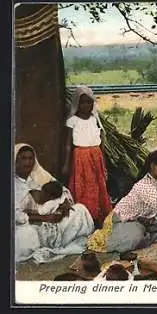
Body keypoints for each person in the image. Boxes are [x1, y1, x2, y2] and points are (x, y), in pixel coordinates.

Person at [14, 143, 95, 263]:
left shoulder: (39, 175)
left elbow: (62, 190)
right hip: (31, 224)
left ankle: (59, 242)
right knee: (24, 236)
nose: (28, 162)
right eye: (23, 158)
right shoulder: (11, 183)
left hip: (54, 219)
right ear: (15, 161)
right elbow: (16, 216)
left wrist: (63, 206)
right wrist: (44, 217)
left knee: (80, 210)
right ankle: (50, 246)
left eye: (31, 158)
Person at [62, 85, 113, 228]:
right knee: (83, 186)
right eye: (83, 102)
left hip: (96, 156)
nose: (86, 105)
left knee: (98, 185)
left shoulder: (94, 119)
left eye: (89, 102)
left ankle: (98, 217)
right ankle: (86, 217)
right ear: (77, 103)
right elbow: (68, 145)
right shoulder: (72, 121)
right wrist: (66, 163)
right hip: (81, 157)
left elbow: (101, 142)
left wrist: (103, 164)